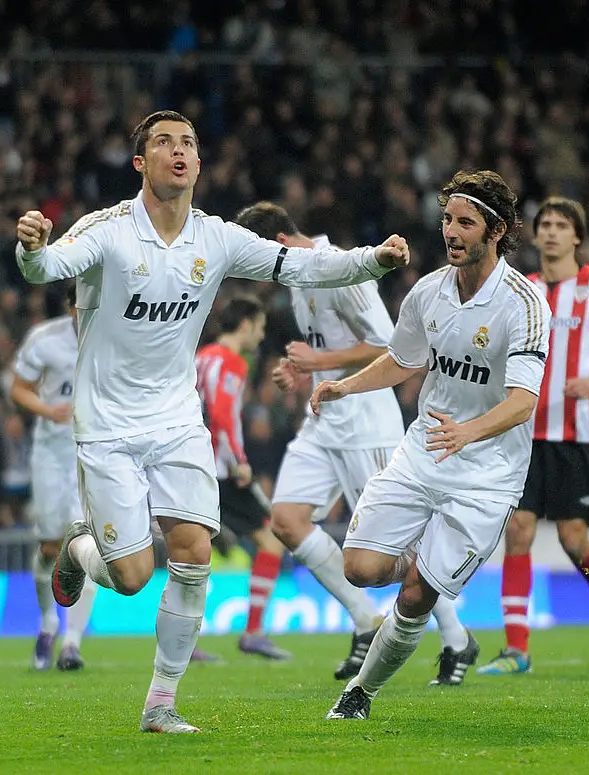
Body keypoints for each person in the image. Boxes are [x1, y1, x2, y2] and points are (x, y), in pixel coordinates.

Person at [14, 109, 409, 734]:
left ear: (198, 164)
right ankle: (79, 551)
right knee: (133, 576)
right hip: (108, 425)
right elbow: (46, 270)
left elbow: (300, 264)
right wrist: (31, 246)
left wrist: (374, 262)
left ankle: (161, 705)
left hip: (175, 418)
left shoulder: (216, 238)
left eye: (189, 143)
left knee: (194, 552)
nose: (179, 151)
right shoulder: (107, 230)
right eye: (164, 142)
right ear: (141, 162)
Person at [319, 169, 550, 720]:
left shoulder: (524, 303)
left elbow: (523, 401)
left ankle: (360, 694)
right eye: (447, 219)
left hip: (487, 472)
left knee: (420, 595)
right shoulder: (428, 291)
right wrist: (344, 386)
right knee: (359, 568)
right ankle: (427, 563)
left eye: (465, 222)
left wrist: (467, 433)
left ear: (495, 231)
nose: (450, 231)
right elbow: (403, 361)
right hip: (423, 452)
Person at [234, 201, 478, 686]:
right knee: (285, 519)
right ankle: (366, 619)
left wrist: (319, 360)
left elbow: (392, 346)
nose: (260, 277)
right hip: (325, 421)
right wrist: (303, 369)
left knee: (400, 542)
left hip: (367, 425)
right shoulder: (300, 278)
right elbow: (325, 354)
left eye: (255, 260)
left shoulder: (338, 269)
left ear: (276, 245)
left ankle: (457, 639)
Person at [476, 196, 589, 677]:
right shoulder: (522, 288)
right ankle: (516, 650)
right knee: (518, 530)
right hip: (524, 430)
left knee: (574, 540)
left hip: (578, 433)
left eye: (561, 225)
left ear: (577, 237)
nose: (549, 232)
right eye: (544, 223)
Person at [192, 294, 291, 661]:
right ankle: (252, 631)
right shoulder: (232, 363)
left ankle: (183, 641)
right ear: (246, 324)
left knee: (192, 552)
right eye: (261, 327)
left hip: (196, 467)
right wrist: (239, 461)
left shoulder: (201, 357)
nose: (262, 336)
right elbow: (221, 414)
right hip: (224, 470)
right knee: (271, 540)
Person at [11, 283, 96, 672]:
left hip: (94, 453)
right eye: (81, 303)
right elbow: (19, 389)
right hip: (51, 453)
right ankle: (48, 621)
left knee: (88, 544)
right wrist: (48, 410)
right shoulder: (45, 340)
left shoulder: (114, 334)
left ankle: (72, 644)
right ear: (69, 307)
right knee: (50, 548)